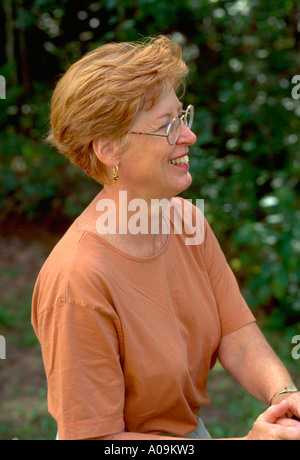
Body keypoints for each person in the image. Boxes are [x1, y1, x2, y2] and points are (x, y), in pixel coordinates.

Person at [31, 35, 300, 441]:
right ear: (108, 148)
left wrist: (285, 396)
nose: (189, 136)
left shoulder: (188, 223)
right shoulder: (76, 281)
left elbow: (236, 334)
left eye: (183, 115)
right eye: (167, 126)